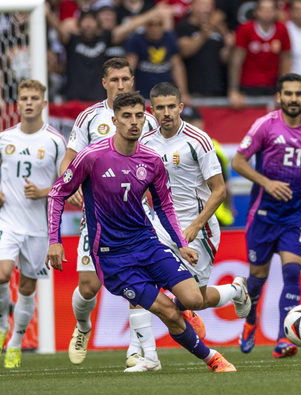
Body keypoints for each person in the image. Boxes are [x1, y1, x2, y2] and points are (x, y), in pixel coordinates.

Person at [46, 92, 237, 373]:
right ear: (114, 121)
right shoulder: (92, 156)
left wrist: (181, 243)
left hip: (147, 244)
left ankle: (234, 291)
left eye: (138, 116)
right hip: (113, 257)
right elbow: (57, 193)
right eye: (126, 116)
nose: (134, 122)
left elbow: (164, 207)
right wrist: (54, 241)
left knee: (193, 299)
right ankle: (212, 359)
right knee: (168, 311)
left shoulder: (151, 160)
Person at [124, 82, 251, 372]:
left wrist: (194, 226)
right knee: (138, 282)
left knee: (194, 298)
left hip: (199, 229)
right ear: (152, 111)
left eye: (172, 106)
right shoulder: (145, 142)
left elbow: (219, 190)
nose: (166, 113)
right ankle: (146, 356)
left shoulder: (199, 141)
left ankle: (235, 290)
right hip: (160, 226)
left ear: (180, 107)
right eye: (160, 108)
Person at [60, 58, 158, 368]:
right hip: (98, 215)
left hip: (137, 215)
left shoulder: (148, 121)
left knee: (138, 283)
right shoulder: (90, 117)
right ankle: (83, 326)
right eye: (114, 79)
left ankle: (135, 350)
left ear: (133, 81)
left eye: (125, 79)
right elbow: (69, 159)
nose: (120, 84)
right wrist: (70, 186)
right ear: (104, 83)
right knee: (89, 286)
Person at [232, 73, 301, 358]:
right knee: (256, 280)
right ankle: (250, 320)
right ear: (279, 97)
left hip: (297, 215)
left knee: (292, 272)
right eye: (288, 93)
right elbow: (238, 161)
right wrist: (266, 183)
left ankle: (283, 339)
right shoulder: (265, 126)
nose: (293, 99)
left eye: (298, 94)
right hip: (264, 214)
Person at [0, 79, 67, 368]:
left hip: (40, 227)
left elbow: (67, 182)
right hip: (8, 218)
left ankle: (16, 344)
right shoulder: (3, 139)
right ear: (17, 103)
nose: (29, 102)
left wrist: (44, 192)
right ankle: (0, 326)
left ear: (43, 103)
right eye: (24, 98)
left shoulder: (55, 141)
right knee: (2, 274)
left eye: (34, 98)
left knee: (28, 288)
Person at [228, 0, 292, 109]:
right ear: (256, 12)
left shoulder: (282, 29)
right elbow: (236, 61)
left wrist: (283, 89)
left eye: (271, 9)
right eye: (263, 9)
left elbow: (286, 60)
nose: (267, 13)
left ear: (276, 12)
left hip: (272, 86)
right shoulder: (245, 29)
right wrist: (233, 90)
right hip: (248, 86)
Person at [125, 15, 192, 105]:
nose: (155, 28)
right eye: (151, 24)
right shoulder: (136, 39)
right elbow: (129, 70)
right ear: (145, 26)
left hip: (166, 96)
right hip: (142, 96)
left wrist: (183, 93)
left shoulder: (170, 38)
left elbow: (177, 66)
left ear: (163, 26)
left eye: (159, 24)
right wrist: (131, 95)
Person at [175, 0, 233, 97]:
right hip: (194, 90)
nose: (207, 9)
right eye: (203, 5)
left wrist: (228, 46)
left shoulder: (218, 29)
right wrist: (202, 36)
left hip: (217, 89)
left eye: (211, 6)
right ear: (192, 6)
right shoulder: (183, 27)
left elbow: (224, 59)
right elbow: (184, 52)